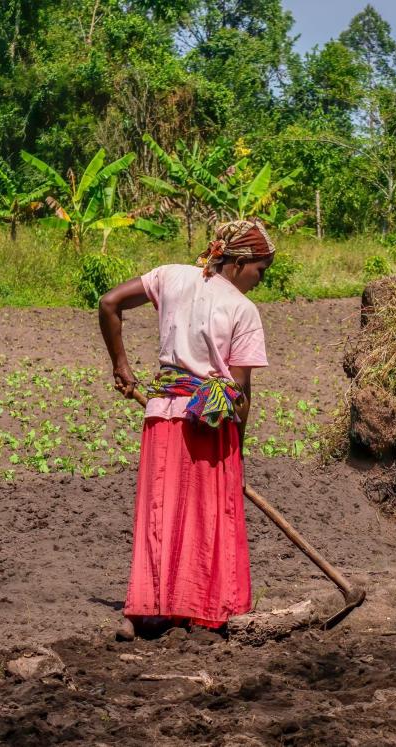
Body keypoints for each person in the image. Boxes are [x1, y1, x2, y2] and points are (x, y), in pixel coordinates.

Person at [98, 219, 275, 640]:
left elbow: (109, 303)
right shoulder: (242, 310)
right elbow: (240, 391)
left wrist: (121, 367)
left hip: (162, 416)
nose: (260, 281)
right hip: (209, 424)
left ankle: (143, 611)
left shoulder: (170, 276)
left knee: (159, 513)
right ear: (238, 262)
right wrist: (239, 453)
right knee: (210, 516)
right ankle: (209, 607)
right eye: (260, 271)